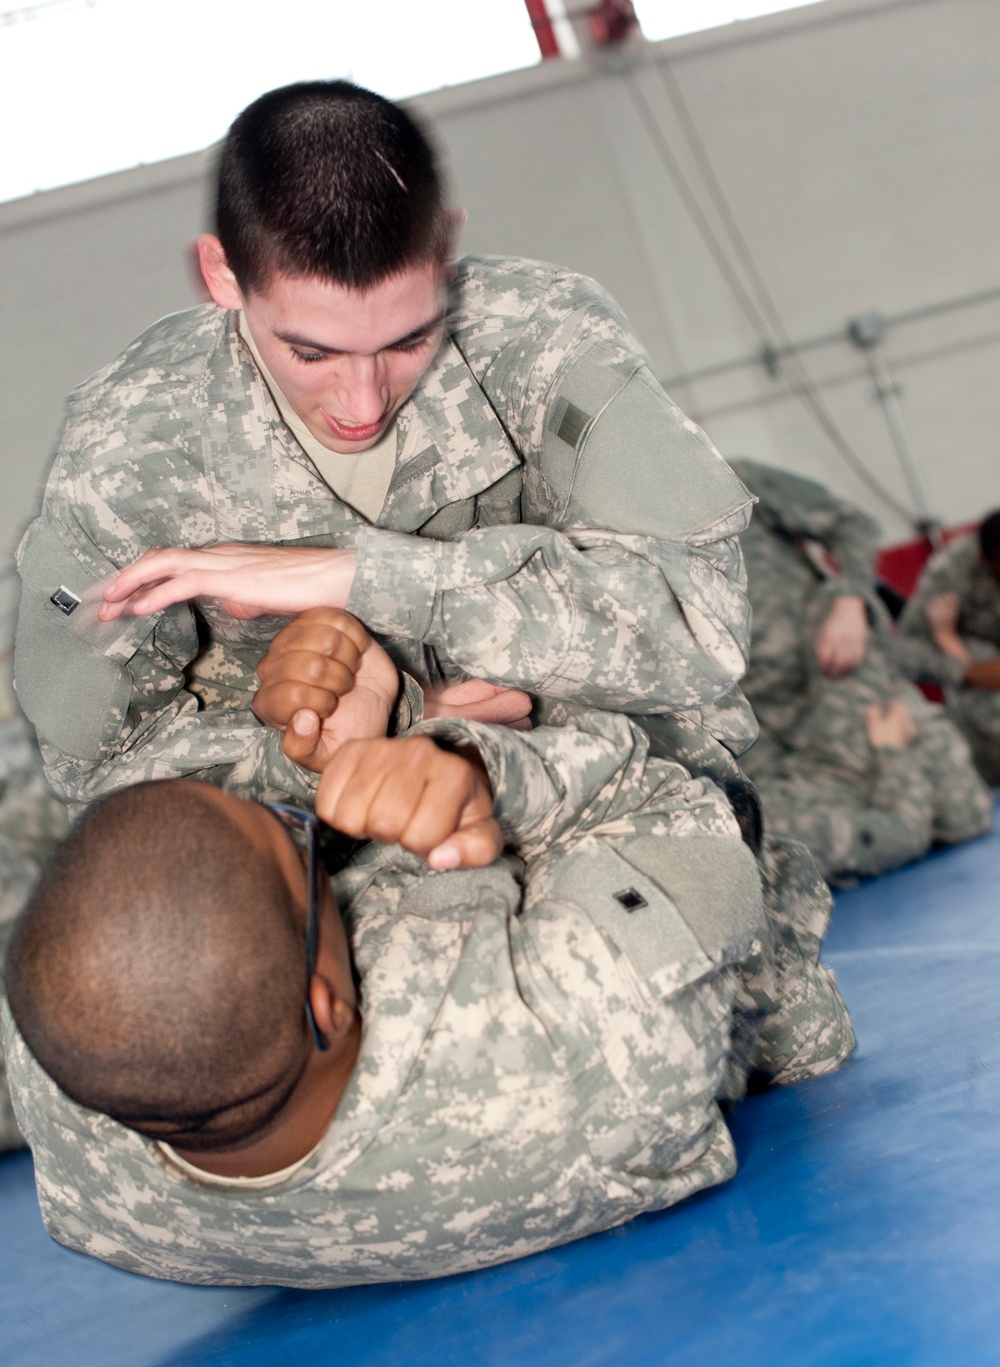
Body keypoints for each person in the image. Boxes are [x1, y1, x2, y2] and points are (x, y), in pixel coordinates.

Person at [14, 79, 756, 820]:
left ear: (444, 248)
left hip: (581, 796)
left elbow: (700, 627)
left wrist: (361, 578)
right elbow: (101, 768)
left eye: (408, 340)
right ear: (223, 276)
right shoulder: (129, 447)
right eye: (312, 353)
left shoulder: (544, 336)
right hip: (325, 853)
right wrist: (352, 746)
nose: (363, 402)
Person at [4, 701, 854, 1289]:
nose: (307, 830)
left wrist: (312, 771)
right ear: (325, 1004)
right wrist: (471, 761)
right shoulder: (584, 1044)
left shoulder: (84, 1175)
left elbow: (129, 902)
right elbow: (688, 809)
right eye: (297, 843)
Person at [729, 460, 992, 881]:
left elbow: (853, 524)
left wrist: (851, 600)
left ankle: (892, 781)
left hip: (845, 680)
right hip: (767, 735)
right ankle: (887, 800)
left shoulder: (727, 477)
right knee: (835, 841)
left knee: (965, 815)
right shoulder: (609, 539)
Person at [896, 510, 1000, 785]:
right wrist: (967, 667)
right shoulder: (954, 571)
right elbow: (904, 651)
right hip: (979, 677)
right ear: (986, 559)